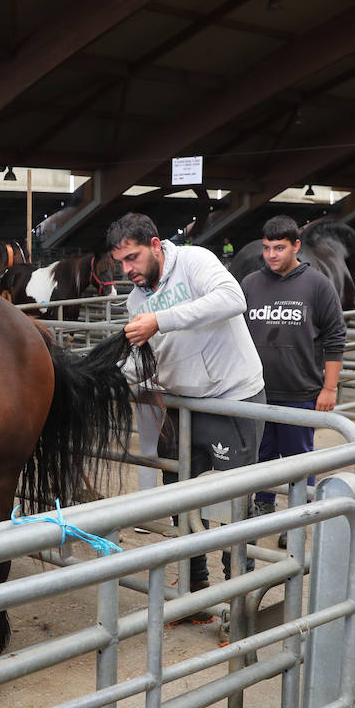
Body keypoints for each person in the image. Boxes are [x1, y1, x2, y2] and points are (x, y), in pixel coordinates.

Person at [109, 213, 265, 617]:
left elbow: (233, 299)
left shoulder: (195, 262)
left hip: (230, 396)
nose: (127, 270)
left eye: (133, 258)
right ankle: (193, 590)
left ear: (156, 245)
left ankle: (239, 596)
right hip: (178, 401)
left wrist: (161, 319)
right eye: (121, 263)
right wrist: (116, 377)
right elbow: (148, 359)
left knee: (235, 501)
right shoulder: (135, 299)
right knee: (180, 495)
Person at [241, 216, 346, 527]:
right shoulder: (251, 284)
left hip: (301, 390)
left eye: (279, 248)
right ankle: (263, 504)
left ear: (296, 246)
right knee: (261, 456)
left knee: (300, 459)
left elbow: (335, 335)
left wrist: (330, 387)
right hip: (259, 390)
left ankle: (301, 515)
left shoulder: (317, 284)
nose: (271, 255)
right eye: (267, 248)